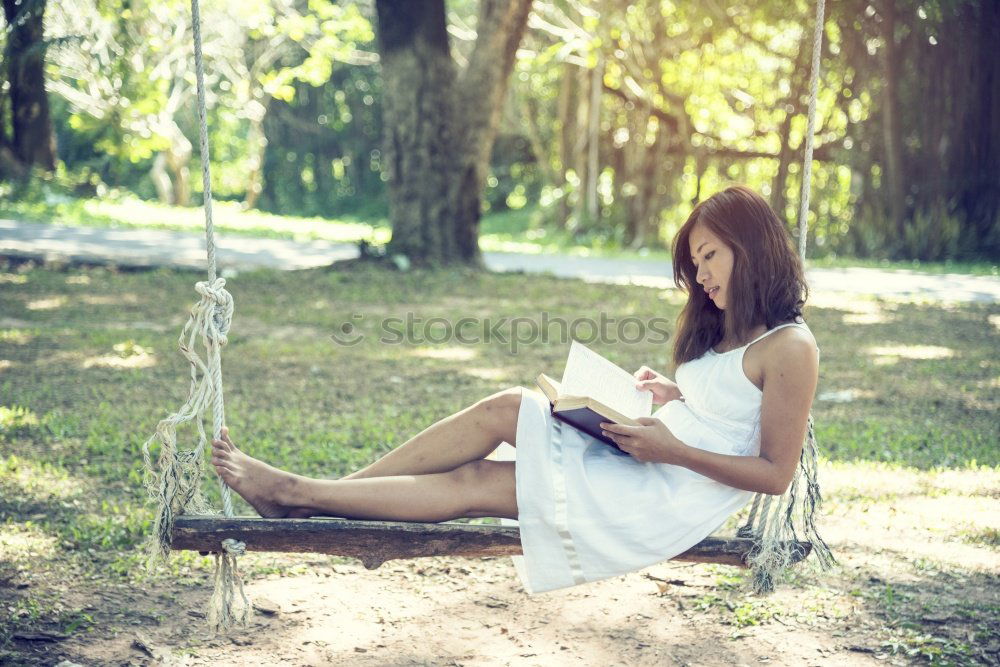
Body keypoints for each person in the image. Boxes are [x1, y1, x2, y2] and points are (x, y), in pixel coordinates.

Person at [209, 184, 819, 593]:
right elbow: (729, 411)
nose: (702, 276)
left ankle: (302, 495)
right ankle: (312, 498)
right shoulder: (734, 331)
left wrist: (671, 449)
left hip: (666, 492)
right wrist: (673, 395)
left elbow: (773, 472)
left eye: (709, 256)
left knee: (491, 446)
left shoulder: (791, 346)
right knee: (498, 427)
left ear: (752, 246)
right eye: (697, 264)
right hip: (653, 460)